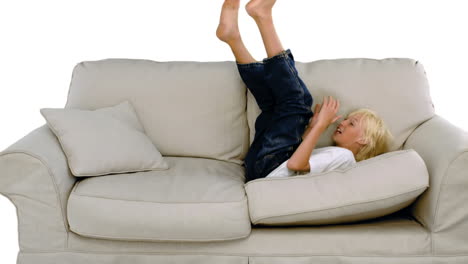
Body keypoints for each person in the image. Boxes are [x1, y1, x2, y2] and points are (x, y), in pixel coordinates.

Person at [216, 0, 394, 182]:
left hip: (270, 167)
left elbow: (295, 165)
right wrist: (311, 127)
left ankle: (263, 17)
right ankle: (233, 39)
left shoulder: (344, 156)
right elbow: (297, 155)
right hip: (262, 168)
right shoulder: (338, 156)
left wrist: (320, 126)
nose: (343, 123)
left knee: (298, 103)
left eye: (352, 124)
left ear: (364, 140)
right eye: (348, 120)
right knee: (272, 105)